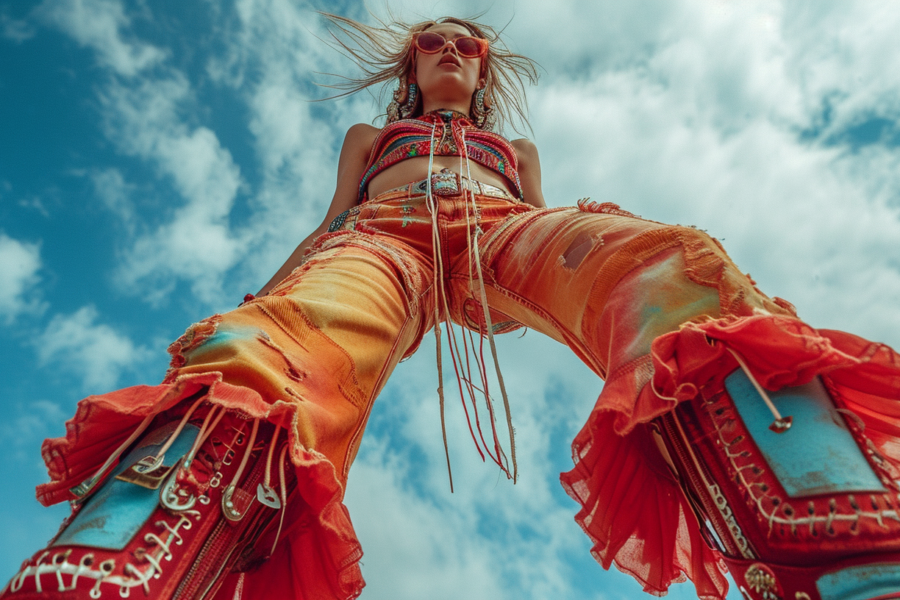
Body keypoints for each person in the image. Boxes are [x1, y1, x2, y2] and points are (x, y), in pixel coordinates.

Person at [3, 13, 900, 600]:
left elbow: (515, 308)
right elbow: (332, 220)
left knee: (667, 263)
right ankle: (118, 573)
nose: (452, 47)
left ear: (483, 67)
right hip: (381, 238)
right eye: (434, 39)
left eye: (467, 40)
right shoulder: (369, 136)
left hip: (500, 227)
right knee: (261, 349)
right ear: (412, 64)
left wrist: (536, 272)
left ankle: (847, 549)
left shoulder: (514, 147)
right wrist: (278, 295)